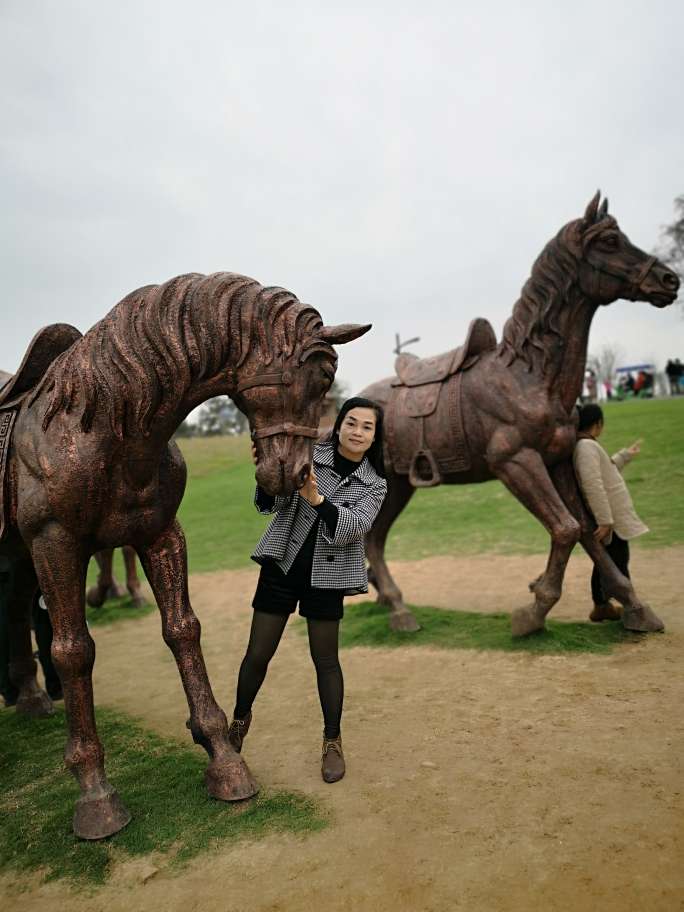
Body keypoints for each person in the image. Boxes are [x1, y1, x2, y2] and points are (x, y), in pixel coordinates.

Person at [229, 397, 387, 784]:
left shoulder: (375, 483)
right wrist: (265, 475)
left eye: (367, 427)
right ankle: (237, 723)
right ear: (340, 425)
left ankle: (332, 741)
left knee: (326, 661)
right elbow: (273, 503)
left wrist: (316, 499)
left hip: (328, 579)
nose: (357, 431)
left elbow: (354, 527)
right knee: (257, 654)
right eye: (352, 422)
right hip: (282, 565)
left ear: (375, 436)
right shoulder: (310, 455)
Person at [573, 404, 648, 623]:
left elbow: (605, 468)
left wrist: (625, 455)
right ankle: (629, 608)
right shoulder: (586, 446)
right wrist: (605, 521)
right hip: (609, 521)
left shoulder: (585, 445)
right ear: (598, 424)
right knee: (618, 563)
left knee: (607, 562)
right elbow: (593, 485)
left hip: (609, 519)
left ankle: (602, 606)